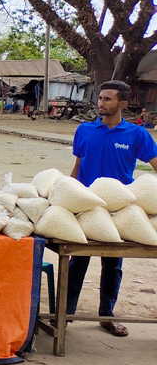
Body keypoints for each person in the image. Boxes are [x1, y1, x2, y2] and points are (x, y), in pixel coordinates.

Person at [67, 81, 157, 337]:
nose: (101, 103)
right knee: (76, 262)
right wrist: (68, 194)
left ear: (123, 103)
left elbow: (154, 163)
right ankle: (66, 315)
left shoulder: (137, 135)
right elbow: (78, 165)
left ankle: (106, 315)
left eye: (108, 99)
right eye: (100, 98)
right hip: (86, 205)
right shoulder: (84, 130)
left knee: (113, 264)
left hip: (118, 210)